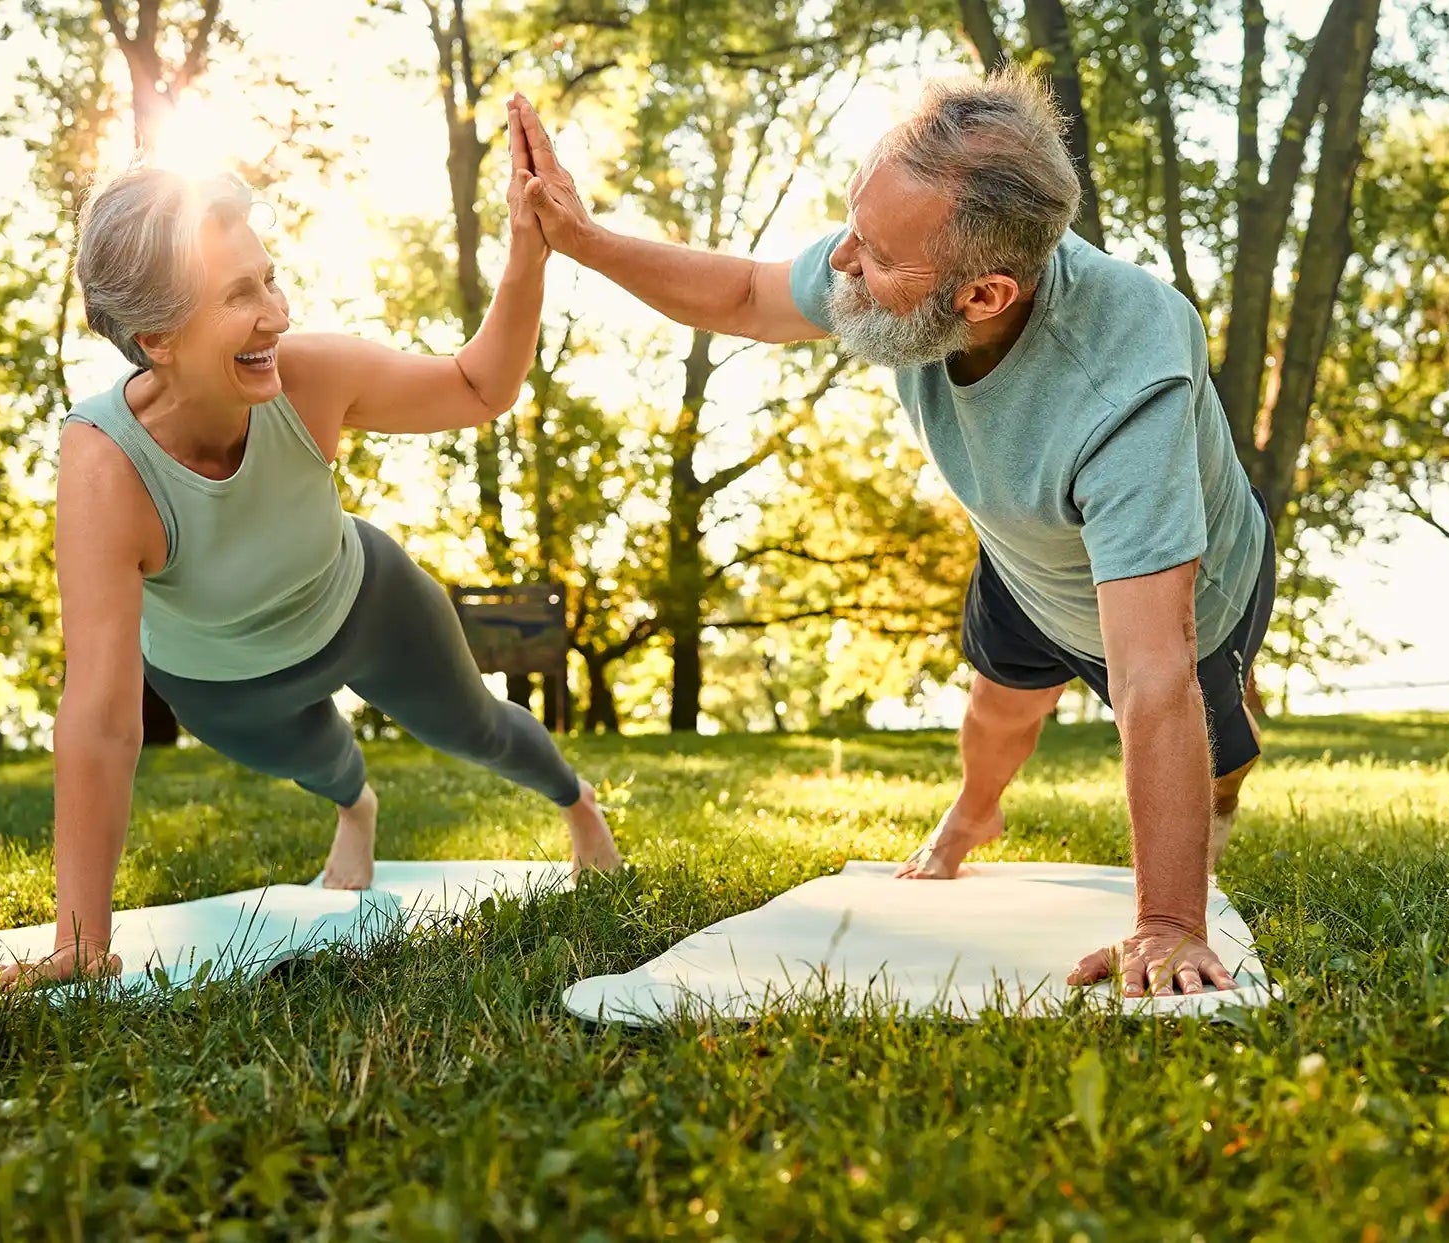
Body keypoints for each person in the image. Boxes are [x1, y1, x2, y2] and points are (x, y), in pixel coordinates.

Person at [509, 70, 1274, 998]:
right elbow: (749, 293)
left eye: (874, 257)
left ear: (982, 296)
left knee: (1206, 742)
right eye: (852, 229)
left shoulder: (1127, 388)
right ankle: (974, 813)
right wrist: (581, 239)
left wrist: (1168, 922)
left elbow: (1154, 675)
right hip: (1026, 558)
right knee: (997, 711)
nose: (840, 266)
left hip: (1191, 592)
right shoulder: (890, 266)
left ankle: (1224, 776)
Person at [0, 96, 621, 988]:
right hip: (217, 674)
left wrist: (528, 246)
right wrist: (81, 941)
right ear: (157, 337)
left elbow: (479, 387)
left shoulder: (309, 380)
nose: (277, 314)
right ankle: (356, 807)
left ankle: (578, 801)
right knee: (317, 762)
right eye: (240, 296)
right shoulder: (104, 466)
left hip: (364, 604)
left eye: (270, 279)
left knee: (475, 726)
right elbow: (97, 714)